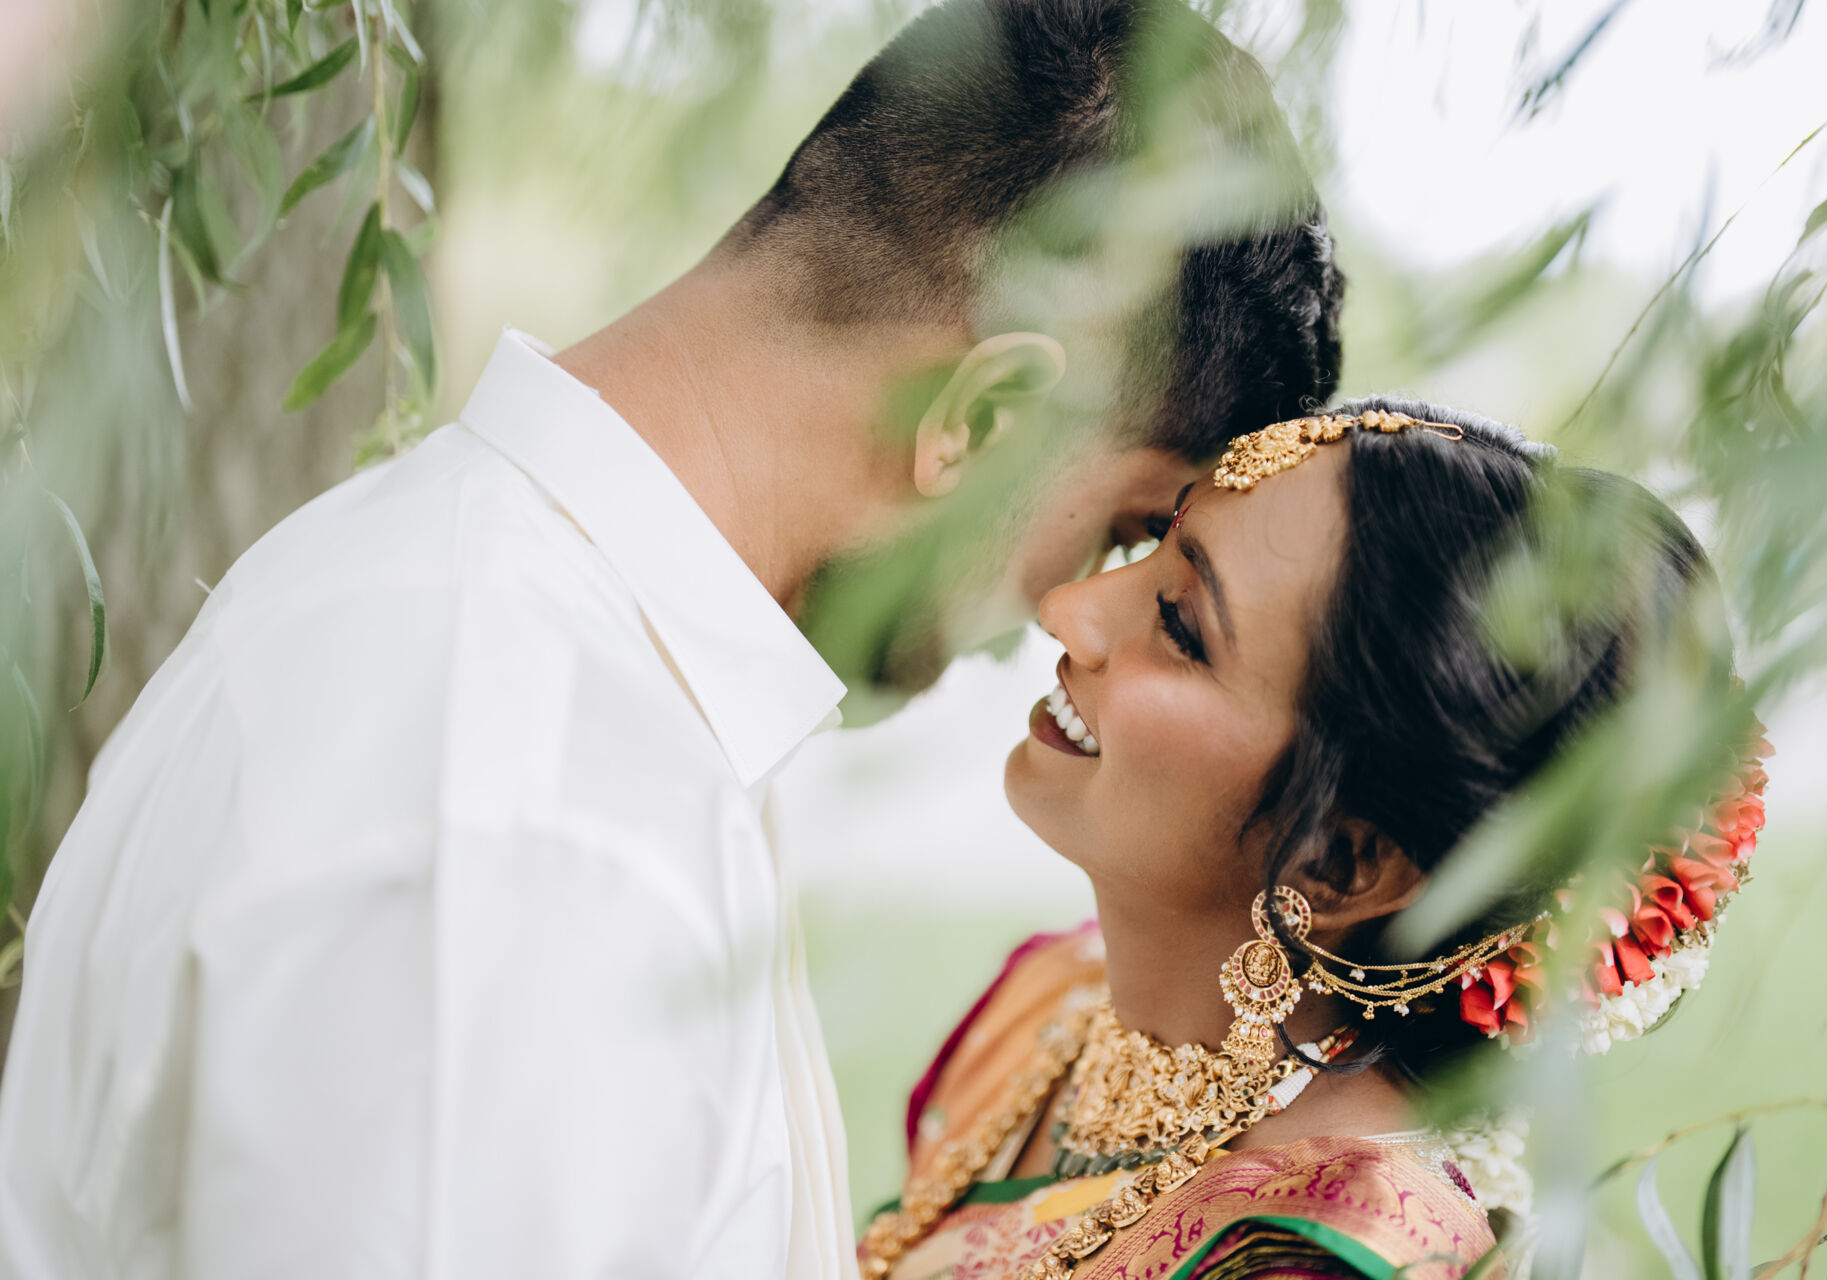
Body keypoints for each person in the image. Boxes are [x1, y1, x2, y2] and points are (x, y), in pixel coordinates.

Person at [0, 1, 1343, 1278]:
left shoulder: (498, 641)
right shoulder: (529, 797)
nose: (1067, 614)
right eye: (1117, 531)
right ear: (986, 422)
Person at [856, 398, 1769, 1280]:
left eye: (1179, 625)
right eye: (1160, 539)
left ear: (1344, 863)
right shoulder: (1047, 1005)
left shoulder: (1329, 1249)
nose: (1069, 607)